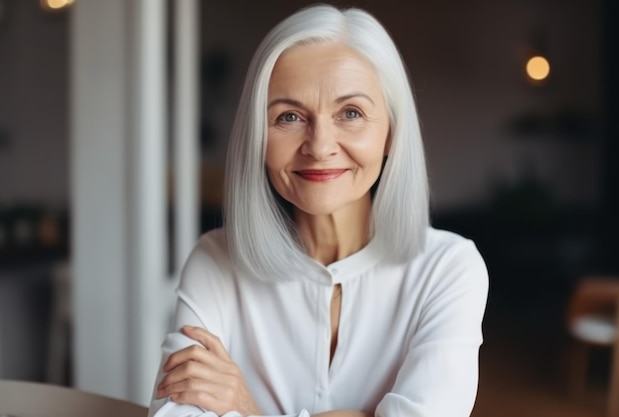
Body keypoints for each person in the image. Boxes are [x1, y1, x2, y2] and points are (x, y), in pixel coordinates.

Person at [148, 4, 488, 417]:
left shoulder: (449, 268)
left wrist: (249, 411)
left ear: (391, 134)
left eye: (351, 113)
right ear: (257, 136)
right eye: (288, 116)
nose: (320, 145)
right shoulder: (215, 261)